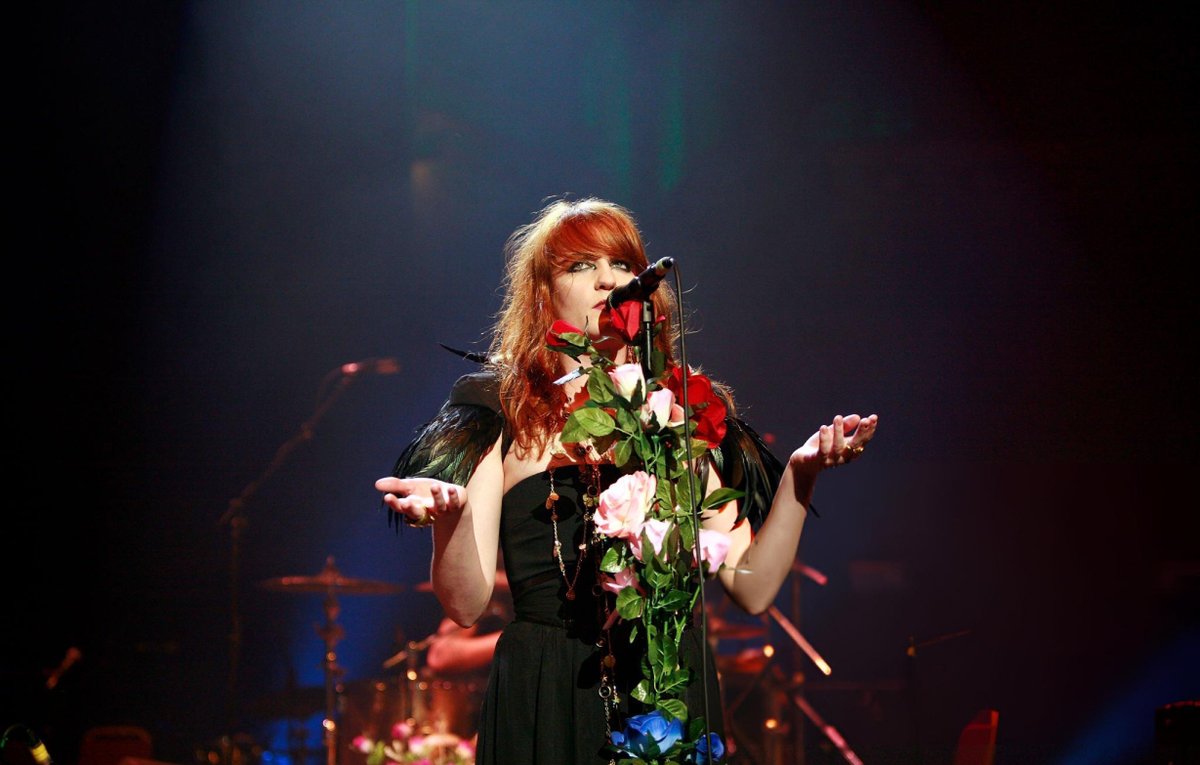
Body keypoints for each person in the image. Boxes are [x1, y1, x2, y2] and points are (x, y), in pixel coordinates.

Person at [375, 197, 878, 765]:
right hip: (549, 688)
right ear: (543, 293)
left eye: (619, 264)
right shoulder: (503, 408)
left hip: (665, 691)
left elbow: (753, 587)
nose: (607, 280)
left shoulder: (681, 411)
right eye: (580, 266)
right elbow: (464, 605)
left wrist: (800, 476)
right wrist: (450, 519)